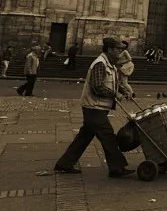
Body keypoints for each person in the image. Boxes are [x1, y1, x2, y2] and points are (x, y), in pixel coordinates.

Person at [55, 37, 135, 177]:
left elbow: (114, 83)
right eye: (118, 49)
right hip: (94, 107)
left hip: (98, 107)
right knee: (108, 136)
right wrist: (116, 94)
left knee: (84, 137)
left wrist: (125, 91)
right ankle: (117, 168)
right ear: (110, 49)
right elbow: (97, 87)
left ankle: (64, 164)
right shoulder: (100, 64)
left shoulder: (109, 64)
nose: (120, 52)